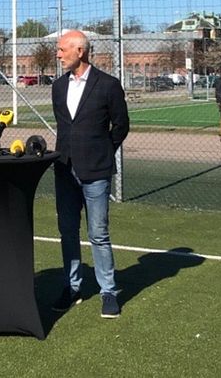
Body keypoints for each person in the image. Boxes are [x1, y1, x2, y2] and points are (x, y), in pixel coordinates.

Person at [51, 30, 129, 319]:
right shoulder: (58, 87)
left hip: (95, 171)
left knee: (98, 233)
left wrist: (103, 151)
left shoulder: (108, 85)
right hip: (64, 169)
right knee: (67, 231)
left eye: (61, 50)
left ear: (79, 51)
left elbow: (121, 125)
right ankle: (72, 288)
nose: (58, 54)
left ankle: (108, 291)